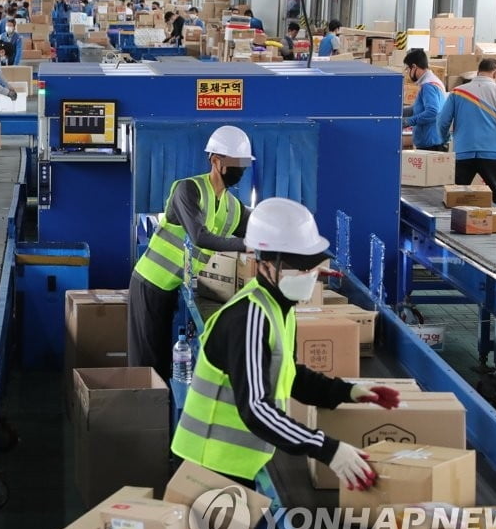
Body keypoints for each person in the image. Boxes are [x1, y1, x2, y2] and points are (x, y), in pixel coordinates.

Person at [171, 197, 399, 493]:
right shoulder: (248, 319)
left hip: (235, 466)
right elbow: (256, 409)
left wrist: (348, 391)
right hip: (209, 469)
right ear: (265, 264)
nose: (305, 275)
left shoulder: (278, 306)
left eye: (309, 266)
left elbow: (287, 375)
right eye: (295, 266)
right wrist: (327, 449)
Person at [128, 126, 254, 384]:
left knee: (164, 361)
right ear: (216, 161)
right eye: (236, 163)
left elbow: (256, 228)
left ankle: (160, 417)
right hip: (150, 284)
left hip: (175, 287)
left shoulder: (232, 205)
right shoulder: (187, 190)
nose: (241, 170)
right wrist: (247, 245)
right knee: (148, 362)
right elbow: (199, 237)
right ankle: (140, 419)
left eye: (244, 165)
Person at [438, 58, 496, 207]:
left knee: (455, 199)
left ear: (478, 72)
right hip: (491, 153)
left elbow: (442, 121)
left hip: (463, 153)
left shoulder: (457, 92)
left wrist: (444, 141)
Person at [402, 49, 447, 152]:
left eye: (408, 69)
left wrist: (408, 121)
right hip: (432, 141)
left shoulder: (428, 86)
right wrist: (400, 112)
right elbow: (419, 108)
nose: (408, 72)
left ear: (414, 67)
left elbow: (432, 112)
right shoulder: (432, 82)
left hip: (430, 144)